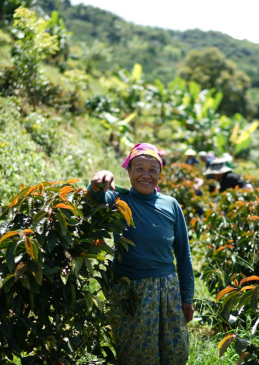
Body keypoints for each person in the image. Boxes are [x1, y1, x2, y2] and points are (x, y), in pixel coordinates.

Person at [88, 143, 194, 364]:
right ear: (128, 171)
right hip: (131, 292)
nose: (146, 175)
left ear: (159, 174)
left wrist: (187, 298)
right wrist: (100, 179)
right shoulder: (119, 200)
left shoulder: (171, 205)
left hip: (167, 291)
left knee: (174, 353)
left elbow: (183, 256)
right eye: (139, 168)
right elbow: (95, 197)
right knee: (135, 355)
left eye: (152, 169)